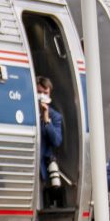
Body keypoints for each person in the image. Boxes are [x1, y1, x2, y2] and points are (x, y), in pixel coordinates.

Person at [36, 74, 67, 207]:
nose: (42, 96)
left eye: (45, 93)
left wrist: (47, 120)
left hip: (40, 170)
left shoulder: (55, 116)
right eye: (39, 92)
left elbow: (56, 141)